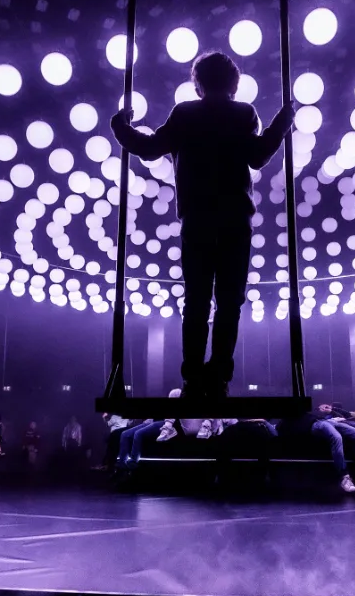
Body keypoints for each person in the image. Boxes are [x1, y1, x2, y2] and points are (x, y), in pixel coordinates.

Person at [110, 51, 294, 398]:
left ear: (198, 83)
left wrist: (120, 126)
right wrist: (281, 123)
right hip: (235, 219)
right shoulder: (243, 113)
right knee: (229, 302)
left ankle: (193, 378)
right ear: (233, 82)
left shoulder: (185, 113)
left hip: (197, 218)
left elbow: (149, 148)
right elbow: (258, 156)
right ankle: (219, 376)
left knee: (196, 301)